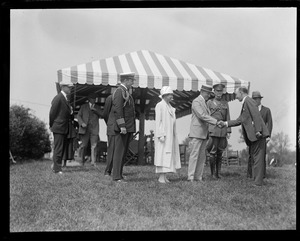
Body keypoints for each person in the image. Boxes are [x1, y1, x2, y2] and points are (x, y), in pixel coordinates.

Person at [222, 87, 269, 186]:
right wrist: (225, 123)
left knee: (258, 159)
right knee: (256, 158)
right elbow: (240, 120)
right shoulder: (246, 103)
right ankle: (257, 181)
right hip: (255, 135)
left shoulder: (249, 101)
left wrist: (258, 131)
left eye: (236, 94)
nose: (235, 96)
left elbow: (256, 115)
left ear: (241, 92)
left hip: (258, 135)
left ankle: (258, 183)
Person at [187, 84, 223, 182]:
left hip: (203, 133)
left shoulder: (204, 102)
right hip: (196, 133)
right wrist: (216, 122)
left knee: (202, 156)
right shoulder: (196, 102)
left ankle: (198, 176)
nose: (209, 95)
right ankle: (190, 177)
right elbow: (202, 116)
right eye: (208, 93)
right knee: (194, 155)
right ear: (203, 92)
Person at [107, 72, 136, 183]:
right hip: (122, 127)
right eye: (131, 80)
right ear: (126, 80)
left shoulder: (125, 92)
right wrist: (122, 125)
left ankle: (119, 174)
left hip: (128, 127)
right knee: (119, 152)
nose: (132, 82)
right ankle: (116, 176)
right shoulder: (119, 92)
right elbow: (118, 110)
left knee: (123, 152)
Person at [154, 86, 181, 183]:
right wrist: (161, 134)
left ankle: (164, 176)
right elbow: (159, 121)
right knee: (162, 155)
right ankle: (161, 177)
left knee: (168, 155)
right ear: (165, 95)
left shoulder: (170, 107)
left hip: (170, 135)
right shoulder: (159, 105)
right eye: (170, 94)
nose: (171, 96)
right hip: (163, 136)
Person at [206, 83, 231, 179]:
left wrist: (228, 131)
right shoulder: (209, 103)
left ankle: (218, 173)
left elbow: (228, 117)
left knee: (220, 152)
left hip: (222, 131)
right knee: (212, 152)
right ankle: (212, 174)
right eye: (217, 91)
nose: (219, 93)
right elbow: (206, 117)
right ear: (214, 92)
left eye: (221, 91)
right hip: (213, 130)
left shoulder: (225, 103)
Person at [49, 80, 73, 174]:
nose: (70, 89)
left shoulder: (63, 97)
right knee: (58, 148)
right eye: (69, 87)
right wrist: (52, 124)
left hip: (61, 127)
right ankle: (57, 168)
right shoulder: (59, 98)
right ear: (63, 87)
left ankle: (56, 167)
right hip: (59, 127)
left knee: (60, 148)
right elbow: (52, 113)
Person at [251, 91, 273, 178]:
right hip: (252, 136)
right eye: (254, 99)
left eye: (257, 99)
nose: (255, 101)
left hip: (263, 136)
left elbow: (270, 123)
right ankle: (252, 175)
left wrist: (268, 136)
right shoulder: (251, 110)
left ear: (260, 99)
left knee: (261, 156)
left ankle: (262, 175)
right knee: (252, 156)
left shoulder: (266, 110)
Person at [77, 92, 102, 167]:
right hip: (85, 129)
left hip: (94, 129)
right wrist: (82, 123)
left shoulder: (98, 107)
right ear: (89, 99)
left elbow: (102, 115)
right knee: (84, 145)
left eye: (95, 98)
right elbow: (78, 116)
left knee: (94, 146)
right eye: (92, 98)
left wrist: (96, 110)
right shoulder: (83, 107)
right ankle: (81, 161)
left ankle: (93, 163)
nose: (94, 100)